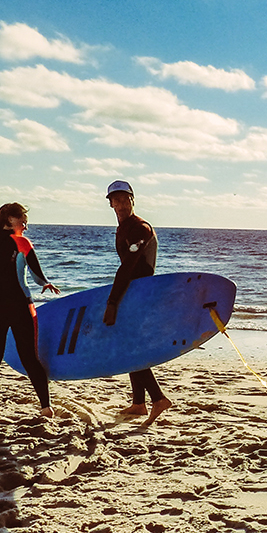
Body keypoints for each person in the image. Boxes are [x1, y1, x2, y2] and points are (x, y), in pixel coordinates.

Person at [0, 202, 58, 418]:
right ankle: (46, 407)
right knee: (30, 358)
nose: (25, 226)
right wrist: (45, 283)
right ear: (10, 219)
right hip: (21, 306)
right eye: (23, 221)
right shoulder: (22, 243)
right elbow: (37, 275)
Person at [104, 180, 173, 422]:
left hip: (140, 295)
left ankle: (158, 399)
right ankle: (138, 403)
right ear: (110, 203)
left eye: (125, 199)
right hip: (132, 292)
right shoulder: (124, 227)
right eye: (116, 200)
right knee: (130, 345)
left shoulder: (140, 228)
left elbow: (128, 267)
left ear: (133, 200)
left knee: (129, 348)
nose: (121, 204)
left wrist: (112, 303)